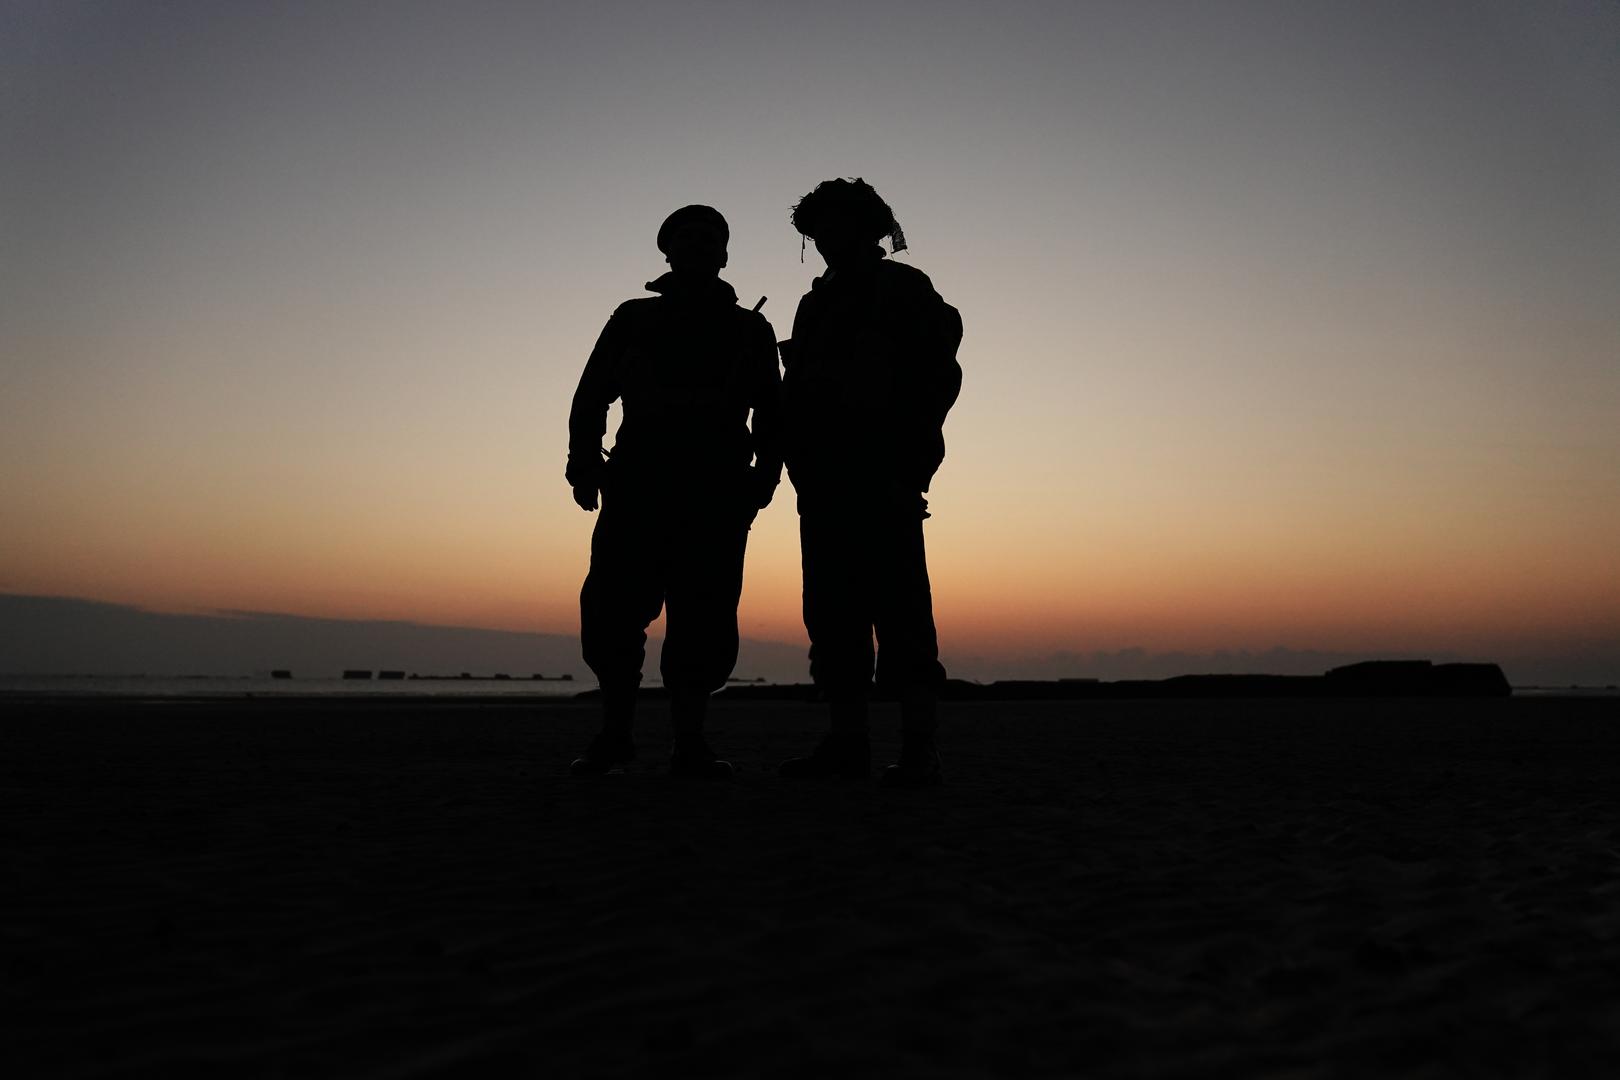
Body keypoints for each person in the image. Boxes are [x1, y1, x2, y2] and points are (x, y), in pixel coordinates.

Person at [565, 205, 782, 779]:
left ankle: (690, 742)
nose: (699, 246)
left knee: (704, 620)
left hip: (716, 493)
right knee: (612, 615)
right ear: (667, 250)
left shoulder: (749, 330)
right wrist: (582, 463)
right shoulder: (633, 318)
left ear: (725, 254)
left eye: (711, 239)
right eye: (686, 237)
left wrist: (766, 473)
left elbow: (773, 411)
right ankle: (615, 735)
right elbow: (591, 396)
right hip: (638, 486)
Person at [776, 179, 962, 787]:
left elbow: (938, 379)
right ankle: (848, 743)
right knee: (833, 615)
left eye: (838, 225)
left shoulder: (903, 289)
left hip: (883, 475)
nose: (827, 238)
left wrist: (909, 467)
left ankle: (918, 751)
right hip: (824, 481)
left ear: (867, 229)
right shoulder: (815, 302)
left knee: (903, 614)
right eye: (819, 227)